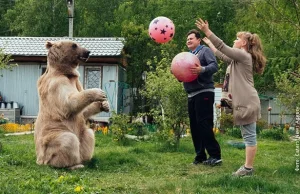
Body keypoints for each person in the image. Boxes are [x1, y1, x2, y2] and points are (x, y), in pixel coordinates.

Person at [195, 18, 266, 176]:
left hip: (247, 101)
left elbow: (223, 47)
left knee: (249, 136)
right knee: (248, 135)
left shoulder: (243, 56)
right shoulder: (238, 59)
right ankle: (248, 168)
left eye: (237, 39)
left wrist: (207, 31)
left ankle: (247, 169)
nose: (235, 40)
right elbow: (221, 54)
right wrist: (210, 44)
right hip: (246, 100)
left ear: (244, 44)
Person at [184, 29, 222, 166]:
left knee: (204, 123)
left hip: (204, 91)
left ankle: (215, 155)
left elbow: (214, 66)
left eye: (191, 38)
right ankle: (200, 155)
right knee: (194, 126)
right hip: (191, 94)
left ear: (198, 40)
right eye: (187, 39)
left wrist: (202, 70)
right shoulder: (187, 56)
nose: (188, 41)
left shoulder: (204, 51)